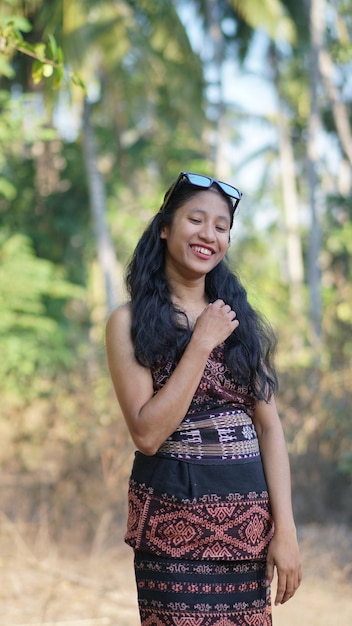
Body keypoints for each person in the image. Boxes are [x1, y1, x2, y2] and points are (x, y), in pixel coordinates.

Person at [105, 171, 302, 625]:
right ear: (165, 227)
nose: (208, 235)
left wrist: (285, 530)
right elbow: (148, 433)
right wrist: (200, 343)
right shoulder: (129, 321)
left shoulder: (238, 320)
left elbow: (269, 428)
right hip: (172, 533)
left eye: (220, 226)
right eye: (196, 219)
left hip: (248, 533)